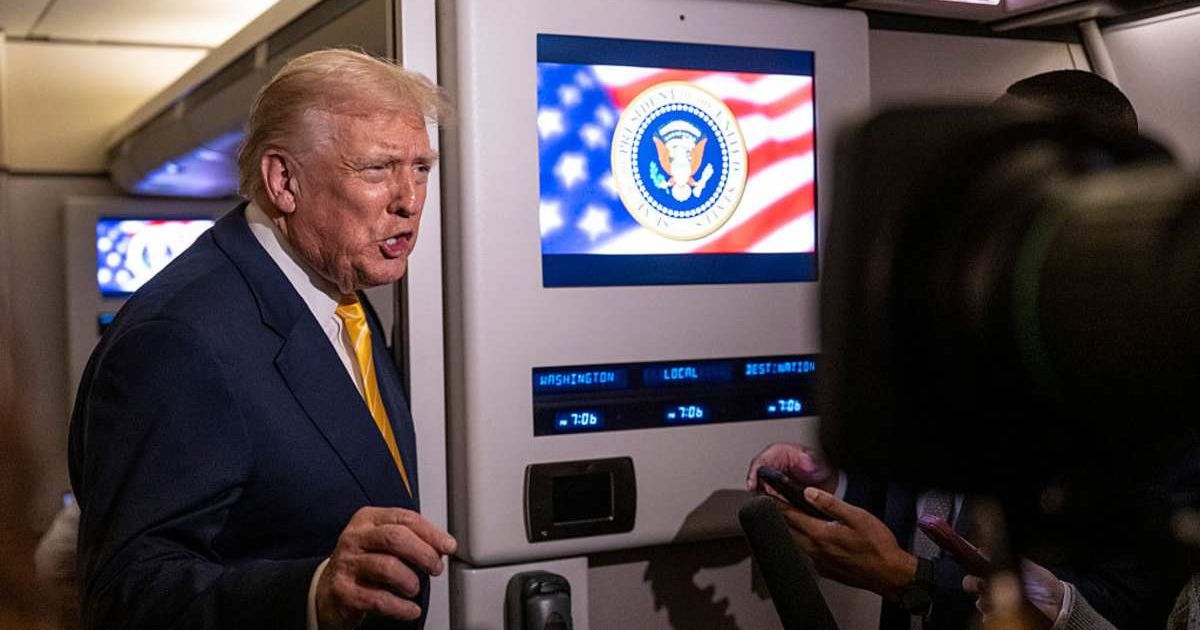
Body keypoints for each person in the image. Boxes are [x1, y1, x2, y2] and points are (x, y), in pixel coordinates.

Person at [746, 69, 1183, 630]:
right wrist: (831, 488)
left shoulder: (1152, 392)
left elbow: (1132, 608)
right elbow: (917, 496)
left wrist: (909, 577)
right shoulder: (955, 336)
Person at [69, 48, 456, 630]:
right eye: (378, 169)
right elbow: (127, 595)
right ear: (283, 181)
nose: (410, 199)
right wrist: (312, 594)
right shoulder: (178, 337)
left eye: (420, 167)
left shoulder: (343, 291)